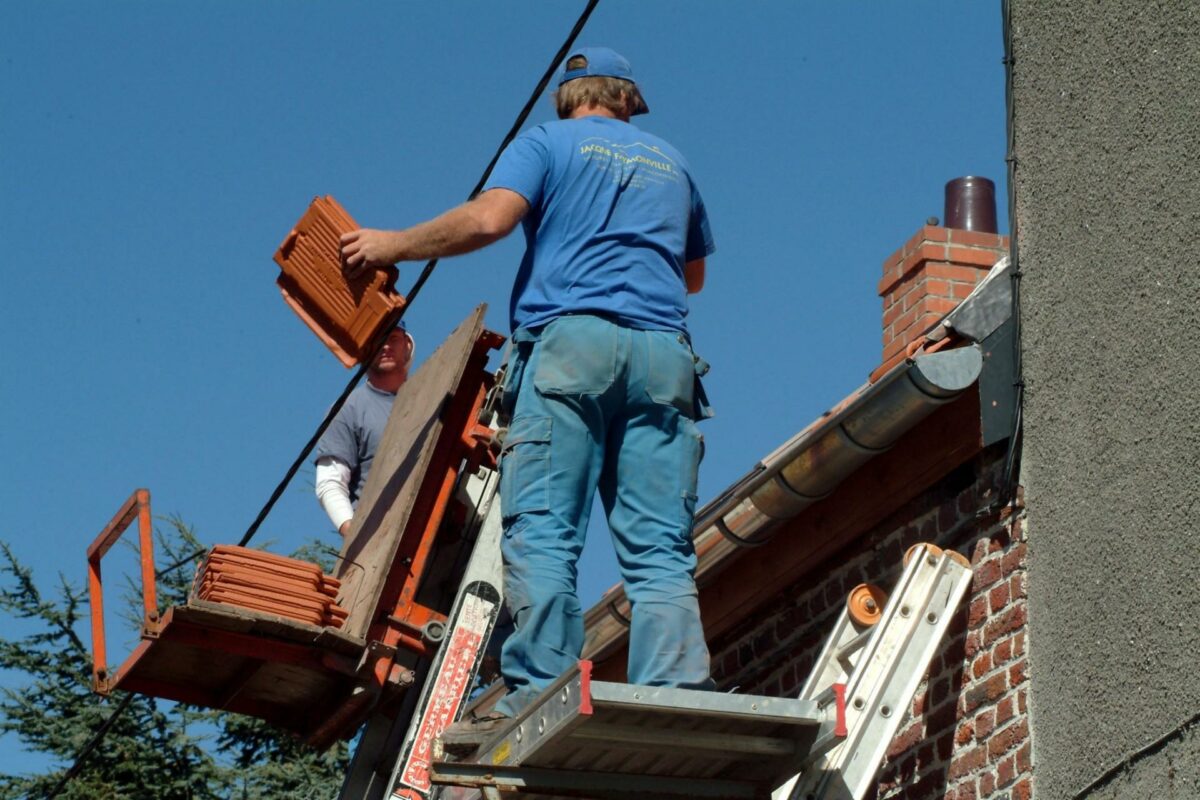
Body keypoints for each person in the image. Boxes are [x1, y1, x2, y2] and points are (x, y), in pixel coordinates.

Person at [340, 46, 716, 746]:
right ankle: (677, 687)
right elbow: (691, 276)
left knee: (546, 533)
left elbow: (488, 222)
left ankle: (544, 691)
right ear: (629, 99)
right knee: (660, 548)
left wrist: (392, 243)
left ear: (570, 98)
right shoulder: (673, 161)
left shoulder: (548, 143)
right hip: (665, 356)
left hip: (571, 348)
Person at [314, 321, 414, 537]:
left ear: (407, 345)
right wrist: (354, 535)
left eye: (392, 338)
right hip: (385, 539)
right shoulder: (348, 409)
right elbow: (330, 483)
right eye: (376, 341)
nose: (385, 346)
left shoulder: (430, 396)